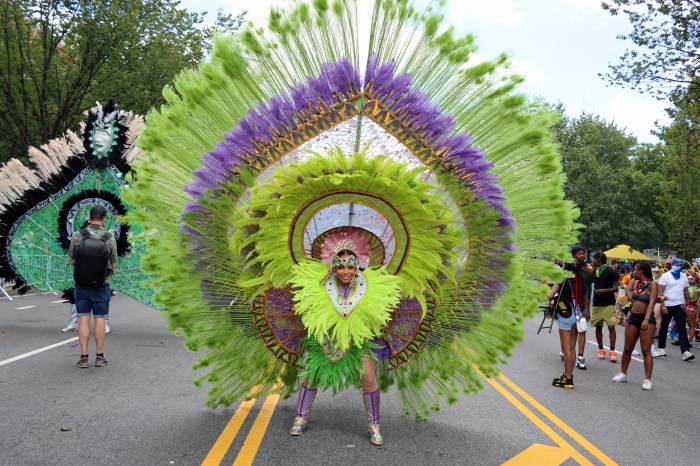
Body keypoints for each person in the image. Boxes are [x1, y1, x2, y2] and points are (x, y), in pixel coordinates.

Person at [288, 247, 396, 445]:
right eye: (340, 267)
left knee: (369, 380)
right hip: (326, 343)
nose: (345, 271)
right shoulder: (321, 286)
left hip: (356, 343)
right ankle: (300, 417)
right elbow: (308, 311)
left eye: (350, 267)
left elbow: (377, 317)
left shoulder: (369, 287)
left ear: (356, 268)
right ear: (333, 268)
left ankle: (374, 425)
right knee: (311, 377)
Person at [68, 205, 117, 368]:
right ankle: (99, 356)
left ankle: (83, 357)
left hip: (81, 285)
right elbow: (112, 265)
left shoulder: (78, 235)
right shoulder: (109, 237)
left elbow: (72, 260)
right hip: (101, 285)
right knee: (99, 318)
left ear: (90, 217)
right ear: (103, 219)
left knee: (83, 317)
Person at [550, 246, 593, 388]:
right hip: (578, 313)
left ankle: (568, 379)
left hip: (566, 313)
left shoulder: (563, 275)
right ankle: (568, 376)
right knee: (572, 348)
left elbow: (550, 295)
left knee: (566, 348)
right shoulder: (582, 275)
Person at [612, 262, 658, 389]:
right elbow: (633, 299)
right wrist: (626, 289)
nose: (633, 272)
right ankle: (623, 373)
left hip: (646, 319)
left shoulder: (652, 284)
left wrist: (646, 319)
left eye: (635, 270)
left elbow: (652, 302)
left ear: (642, 271)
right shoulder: (635, 282)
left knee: (646, 350)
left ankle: (647, 379)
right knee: (627, 348)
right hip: (633, 318)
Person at [656, 257, 694, 361]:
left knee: (682, 328)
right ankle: (661, 347)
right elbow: (660, 292)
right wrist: (662, 305)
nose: (679, 267)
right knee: (664, 327)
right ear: (672, 265)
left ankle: (686, 351)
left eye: (680, 265)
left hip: (679, 305)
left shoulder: (684, 276)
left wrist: (687, 304)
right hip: (667, 305)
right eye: (677, 265)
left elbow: (686, 290)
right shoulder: (665, 276)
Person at [590, 252, 621, 362]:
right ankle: (601, 350)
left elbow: (618, 288)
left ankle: (612, 351)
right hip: (597, 304)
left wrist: (604, 290)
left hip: (609, 304)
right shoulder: (594, 272)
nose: (593, 261)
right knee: (598, 327)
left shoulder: (612, 272)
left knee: (611, 327)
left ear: (598, 259)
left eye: (594, 259)